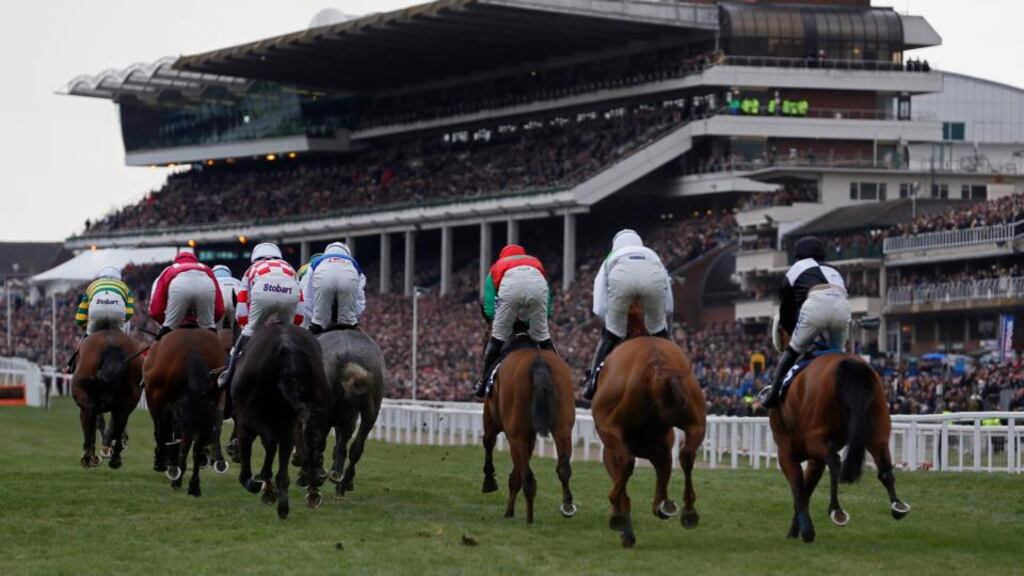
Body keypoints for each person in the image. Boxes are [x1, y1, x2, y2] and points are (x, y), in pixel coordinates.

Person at [760, 236, 851, 408]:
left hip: (816, 304)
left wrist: (794, 335)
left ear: (799, 255)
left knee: (792, 351)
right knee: (839, 356)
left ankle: (773, 393)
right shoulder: (834, 270)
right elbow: (838, 300)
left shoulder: (796, 268)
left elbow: (786, 311)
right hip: (843, 309)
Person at [582, 229, 673, 401]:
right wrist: (663, 326)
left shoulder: (611, 258)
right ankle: (677, 378)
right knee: (660, 333)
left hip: (621, 280)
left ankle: (592, 382)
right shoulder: (652, 255)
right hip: (653, 279)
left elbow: (599, 306)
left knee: (611, 335)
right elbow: (668, 304)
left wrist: (610, 328)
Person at [218, 242, 303, 387]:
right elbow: (300, 306)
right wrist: (296, 324)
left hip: (262, 291)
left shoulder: (251, 269)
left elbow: (242, 305)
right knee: (289, 334)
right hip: (290, 292)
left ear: (255, 257)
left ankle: (228, 374)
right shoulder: (289, 268)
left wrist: (246, 325)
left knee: (248, 331)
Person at [475, 244, 554, 398]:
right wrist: (535, 323)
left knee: (496, 339)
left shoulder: (497, 267)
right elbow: (548, 304)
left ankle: (483, 382)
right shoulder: (535, 262)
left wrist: (503, 323)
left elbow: (489, 310)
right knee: (544, 338)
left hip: (510, 289)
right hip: (538, 285)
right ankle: (562, 379)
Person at [66, 266, 135, 372]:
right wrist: (120, 321)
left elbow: (80, 318)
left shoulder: (92, 286)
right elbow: (129, 313)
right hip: (117, 315)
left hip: (96, 314)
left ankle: (72, 364)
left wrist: (85, 326)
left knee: (86, 338)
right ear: (119, 278)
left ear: (101, 277)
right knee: (124, 341)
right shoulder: (125, 288)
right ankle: (130, 368)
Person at [149, 250, 224, 340]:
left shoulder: (169, 269)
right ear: (195, 261)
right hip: (205, 282)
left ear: (176, 261)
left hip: (179, 283)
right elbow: (219, 309)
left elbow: (156, 311)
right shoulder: (206, 268)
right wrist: (207, 323)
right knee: (209, 328)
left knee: (168, 329)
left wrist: (168, 325)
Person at [304, 242, 365, 334]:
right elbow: (360, 299)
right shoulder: (353, 262)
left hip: (323, 273)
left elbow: (307, 296)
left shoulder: (317, 261)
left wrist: (313, 319)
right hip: (349, 273)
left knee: (318, 323)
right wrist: (353, 318)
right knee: (348, 322)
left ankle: (316, 326)